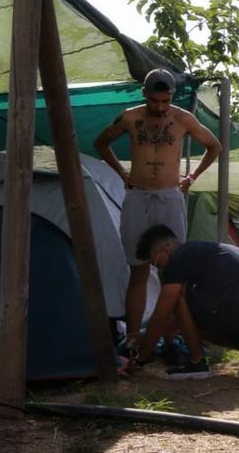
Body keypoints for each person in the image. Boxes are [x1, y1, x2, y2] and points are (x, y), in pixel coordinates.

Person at [94, 68, 221, 347]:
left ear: (172, 97)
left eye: (165, 101)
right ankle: (132, 338)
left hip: (170, 195)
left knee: (175, 269)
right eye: (154, 101)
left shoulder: (183, 118)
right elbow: (101, 143)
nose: (160, 107)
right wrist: (121, 173)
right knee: (137, 268)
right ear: (145, 95)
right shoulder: (130, 117)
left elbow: (214, 146)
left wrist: (191, 178)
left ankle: (177, 336)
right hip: (138, 196)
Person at [127, 224, 239, 379]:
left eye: (155, 263)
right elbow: (177, 323)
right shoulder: (201, 251)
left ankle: (197, 362)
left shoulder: (178, 258)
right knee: (187, 302)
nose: (158, 269)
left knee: (177, 297)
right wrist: (148, 337)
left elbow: (161, 316)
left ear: (165, 248)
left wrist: (140, 361)